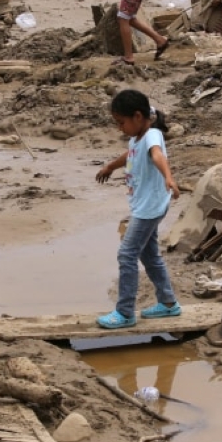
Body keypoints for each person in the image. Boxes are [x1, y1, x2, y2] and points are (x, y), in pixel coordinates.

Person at [95, 89, 181, 330]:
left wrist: (169, 177)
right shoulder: (137, 137)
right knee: (149, 254)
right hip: (146, 205)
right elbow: (131, 153)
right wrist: (110, 166)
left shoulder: (152, 135)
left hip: (149, 208)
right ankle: (167, 303)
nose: (120, 128)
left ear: (138, 117)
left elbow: (157, 156)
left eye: (121, 123)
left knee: (127, 254)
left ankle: (124, 313)